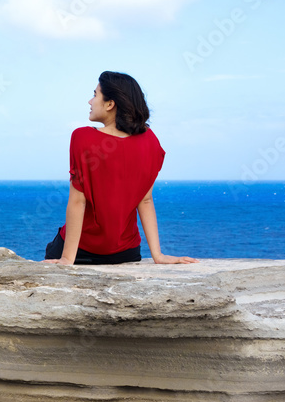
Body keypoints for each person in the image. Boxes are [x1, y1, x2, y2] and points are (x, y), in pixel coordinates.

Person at [42, 71, 198, 265]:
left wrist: (67, 258)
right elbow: (146, 200)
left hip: (82, 251)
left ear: (110, 104)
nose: (90, 101)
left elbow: (78, 201)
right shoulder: (150, 140)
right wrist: (158, 255)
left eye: (95, 95)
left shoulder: (83, 138)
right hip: (127, 253)